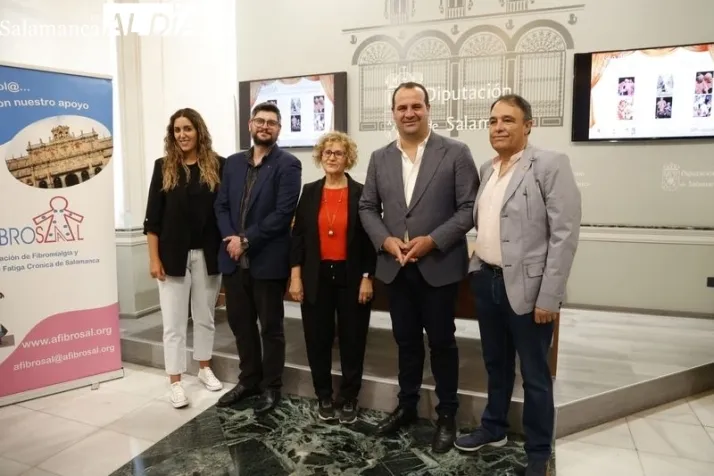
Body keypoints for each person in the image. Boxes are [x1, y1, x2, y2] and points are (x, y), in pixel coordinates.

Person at [453, 94, 581, 476]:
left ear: (528, 125)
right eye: (493, 121)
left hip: (530, 291)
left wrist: (550, 297)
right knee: (496, 364)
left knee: (536, 375)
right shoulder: (488, 169)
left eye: (508, 120)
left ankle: (539, 451)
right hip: (487, 281)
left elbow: (564, 235)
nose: (499, 127)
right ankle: (494, 427)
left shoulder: (549, 165)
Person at [358, 82, 479, 453]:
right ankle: (407, 406)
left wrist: (433, 240)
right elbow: (367, 207)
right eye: (402, 107)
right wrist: (385, 241)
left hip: (437, 264)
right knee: (406, 341)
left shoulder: (455, 152)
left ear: (428, 108)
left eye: (416, 106)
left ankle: (447, 415)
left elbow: (469, 208)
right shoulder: (380, 157)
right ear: (393, 113)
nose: (409, 113)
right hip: (396, 266)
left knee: (442, 342)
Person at [215, 102, 302, 414]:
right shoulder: (232, 163)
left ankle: (271, 386)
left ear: (279, 129)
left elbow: (283, 213)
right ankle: (248, 379)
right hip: (233, 259)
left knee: (270, 328)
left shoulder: (288, 165)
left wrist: (246, 240)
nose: (265, 126)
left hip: (267, 260)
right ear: (250, 124)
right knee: (241, 325)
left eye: (271, 123)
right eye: (260, 121)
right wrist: (231, 238)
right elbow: (221, 205)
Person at [289, 131, 377, 424]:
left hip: (352, 276)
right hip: (316, 275)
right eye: (327, 152)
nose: (332, 157)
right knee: (317, 338)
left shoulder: (361, 193)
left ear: (347, 158)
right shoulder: (309, 191)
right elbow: (298, 237)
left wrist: (367, 276)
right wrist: (296, 276)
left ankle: (349, 397)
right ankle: (324, 395)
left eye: (338, 153)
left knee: (353, 339)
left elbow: (370, 240)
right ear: (320, 157)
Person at [143, 107, 225, 409]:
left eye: (187, 128)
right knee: (174, 323)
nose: (182, 135)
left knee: (205, 317)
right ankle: (175, 382)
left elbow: (223, 212)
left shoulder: (218, 165)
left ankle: (204, 368)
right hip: (172, 256)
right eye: (177, 130)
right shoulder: (163, 166)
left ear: (198, 131)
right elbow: (152, 219)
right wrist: (154, 259)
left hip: (208, 255)